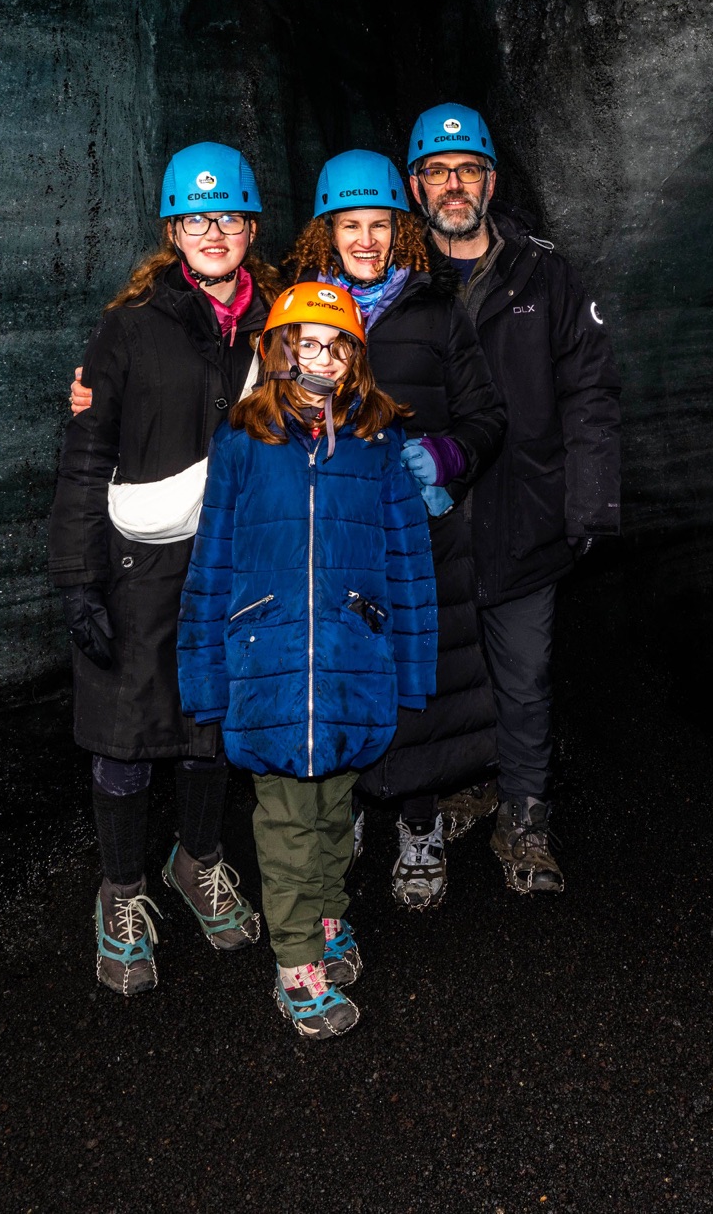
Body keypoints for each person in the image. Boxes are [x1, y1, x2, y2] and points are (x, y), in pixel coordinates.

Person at [176, 281, 437, 1037]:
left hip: (355, 662)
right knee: (288, 819)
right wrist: (206, 677)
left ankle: (327, 915)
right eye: (304, 343)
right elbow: (213, 559)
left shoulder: (377, 444)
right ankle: (294, 962)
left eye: (336, 345)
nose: (319, 358)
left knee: (331, 813)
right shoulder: (243, 440)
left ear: (355, 358)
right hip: (270, 662)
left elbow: (409, 559)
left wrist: (413, 669)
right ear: (277, 351)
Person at [47, 142, 277, 996]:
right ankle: (122, 893)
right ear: (172, 230)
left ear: (250, 226)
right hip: (138, 569)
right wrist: (76, 576)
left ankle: (199, 861)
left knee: (211, 727)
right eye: (195, 217)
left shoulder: (279, 322)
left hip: (236, 561)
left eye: (228, 217)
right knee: (128, 736)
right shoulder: (130, 325)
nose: (212, 231)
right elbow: (85, 452)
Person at [402, 103, 622, 894]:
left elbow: (589, 393)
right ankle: (466, 783)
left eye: (467, 171)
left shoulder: (545, 273)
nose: (453, 186)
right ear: (416, 185)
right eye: (438, 172)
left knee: (523, 672)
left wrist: (589, 502)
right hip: (428, 519)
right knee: (446, 670)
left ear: (490, 181)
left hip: (523, 508)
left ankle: (525, 817)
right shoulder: (391, 279)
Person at [283, 149, 506, 910]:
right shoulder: (301, 313)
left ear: (400, 231)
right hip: (333, 537)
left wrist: (442, 458)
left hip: (419, 536)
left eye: (381, 225)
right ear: (328, 233)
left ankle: (419, 826)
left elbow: (487, 418)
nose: (368, 240)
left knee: (421, 687)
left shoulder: (437, 313)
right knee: (340, 678)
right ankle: (343, 810)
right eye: (352, 226)